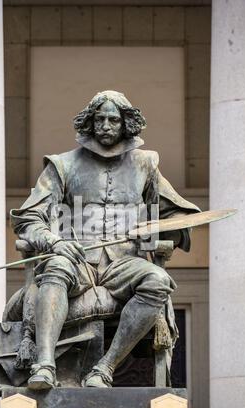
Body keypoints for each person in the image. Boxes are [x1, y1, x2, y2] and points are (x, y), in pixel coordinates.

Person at [11, 90, 199, 389]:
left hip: (125, 263)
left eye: (114, 119)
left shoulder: (146, 165)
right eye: (100, 119)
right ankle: (44, 366)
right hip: (76, 260)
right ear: (90, 122)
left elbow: (177, 214)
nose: (106, 126)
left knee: (158, 280)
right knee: (56, 266)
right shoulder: (62, 165)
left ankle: (105, 368)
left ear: (126, 123)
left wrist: (162, 229)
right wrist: (53, 242)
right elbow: (28, 218)